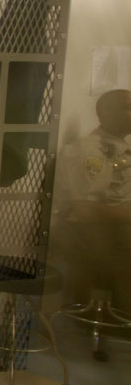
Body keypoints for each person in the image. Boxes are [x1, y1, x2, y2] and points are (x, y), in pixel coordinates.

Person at [58, 89, 131, 312]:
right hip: (98, 233)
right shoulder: (91, 152)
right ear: (106, 113)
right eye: (128, 108)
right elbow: (85, 211)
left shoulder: (118, 147)